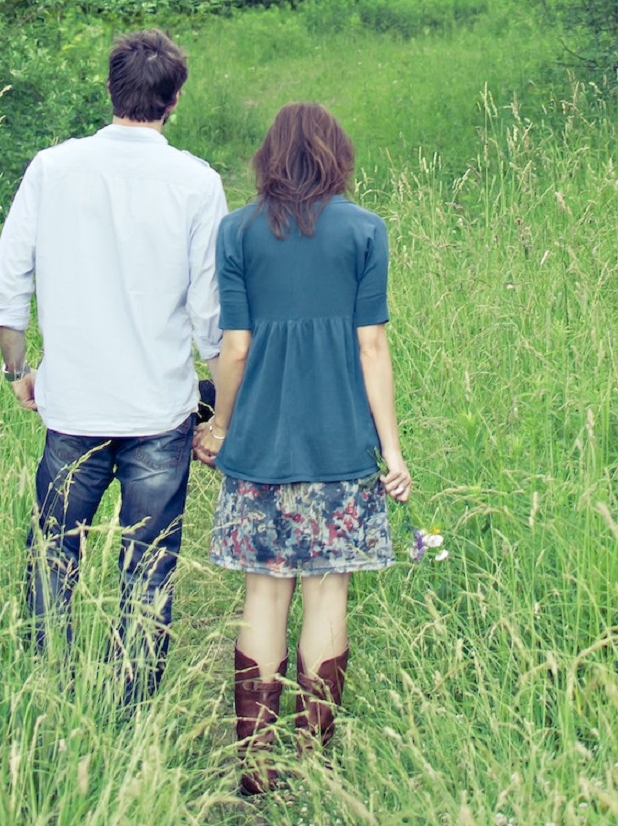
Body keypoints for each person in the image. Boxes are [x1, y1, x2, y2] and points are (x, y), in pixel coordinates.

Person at [0, 29, 227, 706]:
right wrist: (225, 417)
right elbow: (212, 319)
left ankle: (47, 695)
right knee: (148, 565)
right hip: (159, 412)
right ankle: (132, 708)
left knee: (53, 555)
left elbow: (6, 287)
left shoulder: (52, 168)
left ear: (110, 89)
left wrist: (17, 371)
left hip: (73, 406)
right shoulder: (197, 183)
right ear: (174, 100)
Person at [193, 102, 411, 794]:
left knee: (263, 596)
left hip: (259, 447)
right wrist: (392, 452)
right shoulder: (365, 230)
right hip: (341, 448)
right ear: (335, 155)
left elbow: (235, 347)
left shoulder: (238, 231)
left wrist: (220, 427)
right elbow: (372, 346)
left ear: (268, 158)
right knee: (327, 595)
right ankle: (313, 765)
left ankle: (256, 770)